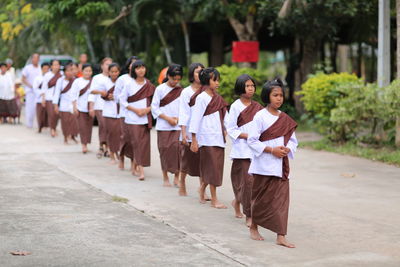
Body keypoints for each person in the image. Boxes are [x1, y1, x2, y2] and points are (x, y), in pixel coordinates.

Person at [247, 79, 298, 248]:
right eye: (275, 95)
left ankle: (281, 235)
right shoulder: (260, 116)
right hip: (263, 166)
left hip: (281, 166)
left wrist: (286, 149)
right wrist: (271, 150)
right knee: (260, 200)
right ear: (267, 96)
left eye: (281, 95)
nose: (279, 98)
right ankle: (254, 227)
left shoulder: (285, 118)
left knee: (282, 202)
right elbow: (252, 141)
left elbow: (293, 141)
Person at [189, 67, 228, 208]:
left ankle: (201, 189)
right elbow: (195, 119)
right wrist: (194, 140)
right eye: (214, 80)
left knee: (215, 167)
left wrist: (226, 129)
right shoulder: (201, 98)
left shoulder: (218, 98)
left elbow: (226, 117)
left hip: (219, 138)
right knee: (212, 168)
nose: (217, 83)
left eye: (218, 80)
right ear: (207, 81)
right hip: (206, 138)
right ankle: (214, 200)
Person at [226, 74, 263, 226]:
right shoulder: (235, 106)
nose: (250, 89)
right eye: (247, 86)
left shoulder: (258, 107)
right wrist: (248, 136)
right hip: (242, 150)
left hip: (255, 151)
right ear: (241, 87)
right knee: (244, 183)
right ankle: (249, 214)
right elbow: (231, 129)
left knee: (252, 183)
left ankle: (238, 202)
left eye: (252, 86)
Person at [120, 60, 155, 180]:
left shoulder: (149, 85)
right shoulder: (129, 84)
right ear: (133, 70)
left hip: (145, 119)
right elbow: (122, 101)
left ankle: (137, 164)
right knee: (137, 143)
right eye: (138, 68)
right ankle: (141, 171)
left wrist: (147, 109)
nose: (141, 70)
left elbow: (156, 102)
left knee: (144, 145)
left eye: (143, 67)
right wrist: (135, 110)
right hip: (132, 119)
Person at [178, 62, 208, 197]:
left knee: (203, 161)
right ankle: (182, 182)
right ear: (191, 74)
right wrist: (184, 133)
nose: (199, 74)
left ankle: (202, 189)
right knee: (187, 160)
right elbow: (183, 113)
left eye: (202, 71)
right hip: (189, 131)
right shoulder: (186, 92)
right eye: (197, 72)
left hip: (204, 131)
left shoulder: (207, 91)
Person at [151, 64, 183, 187]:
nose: (175, 81)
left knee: (178, 150)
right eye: (173, 78)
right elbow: (154, 107)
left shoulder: (181, 91)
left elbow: (185, 109)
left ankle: (176, 177)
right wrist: (167, 118)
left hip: (177, 126)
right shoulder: (160, 89)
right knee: (164, 150)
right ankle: (165, 177)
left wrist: (178, 118)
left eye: (178, 79)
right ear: (168, 76)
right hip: (163, 125)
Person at [115, 56, 138, 171]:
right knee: (126, 137)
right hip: (125, 113)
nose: (134, 67)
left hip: (138, 115)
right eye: (132, 64)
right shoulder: (122, 79)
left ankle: (135, 162)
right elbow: (117, 96)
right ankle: (122, 157)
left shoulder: (141, 80)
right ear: (128, 65)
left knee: (136, 139)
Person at [88, 57, 112, 158]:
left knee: (109, 127)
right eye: (106, 64)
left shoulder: (114, 78)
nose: (108, 66)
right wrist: (91, 106)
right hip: (99, 105)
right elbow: (92, 91)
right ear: (102, 66)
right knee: (103, 125)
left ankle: (106, 147)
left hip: (111, 107)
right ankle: (103, 146)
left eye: (110, 64)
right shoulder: (97, 78)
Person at [52, 63, 78, 144]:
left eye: (72, 70)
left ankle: (73, 136)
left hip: (73, 104)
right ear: (65, 72)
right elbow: (56, 93)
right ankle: (65, 137)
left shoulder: (76, 80)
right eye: (68, 71)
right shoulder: (60, 80)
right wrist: (55, 105)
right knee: (65, 122)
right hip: (63, 104)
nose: (70, 72)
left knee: (74, 122)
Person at [102, 63, 122, 164]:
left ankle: (118, 152)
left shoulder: (122, 82)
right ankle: (112, 155)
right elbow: (102, 93)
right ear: (108, 72)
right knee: (110, 134)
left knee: (119, 134)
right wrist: (106, 95)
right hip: (108, 112)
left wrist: (116, 97)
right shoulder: (105, 82)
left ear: (119, 72)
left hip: (120, 112)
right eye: (112, 72)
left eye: (116, 71)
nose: (114, 74)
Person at [71, 63, 94, 153]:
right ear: (82, 71)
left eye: (90, 71)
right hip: (80, 107)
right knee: (82, 127)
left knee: (89, 127)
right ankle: (83, 145)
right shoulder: (77, 81)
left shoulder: (93, 81)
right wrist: (74, 106)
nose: (88, 73)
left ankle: (86, 143)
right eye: (86, 71)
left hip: (91, 108)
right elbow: (73, 94)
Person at [42, 59, 62, 137]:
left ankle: (54, 127)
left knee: (56, 115)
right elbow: (44, 88)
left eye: (57, 65)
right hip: (49, 97)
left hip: (59, 98)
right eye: (54, 65)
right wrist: (43, 99)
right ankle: (52, 129)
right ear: (51, 66)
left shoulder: (62, 75)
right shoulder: (47, 75)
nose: (56, 66)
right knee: (51, 114)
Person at [21, 53, 41, 128]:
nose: (35, 59)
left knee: (38, 108)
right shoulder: (27, 68)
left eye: (37, 58)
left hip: (39, 92)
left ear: (39, 59)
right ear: (32, 59)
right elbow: (23, 79)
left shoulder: (40, 68)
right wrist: (31, 86)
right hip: (30, 91)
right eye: (34, 58)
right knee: (30, 108)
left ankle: (39, 125)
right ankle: (29, 124)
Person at [32, 62, 50, 132]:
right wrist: (42, 94)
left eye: (47, 69)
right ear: (41, 69)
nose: (46, 70)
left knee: (48, 114)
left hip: (48, 98)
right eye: (44, 68)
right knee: (40, 114)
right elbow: (34, 88)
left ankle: (49, 127)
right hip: (39, 99)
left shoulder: (50, 77)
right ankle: (40, 127)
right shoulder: (37, 78)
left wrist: (46, 94)